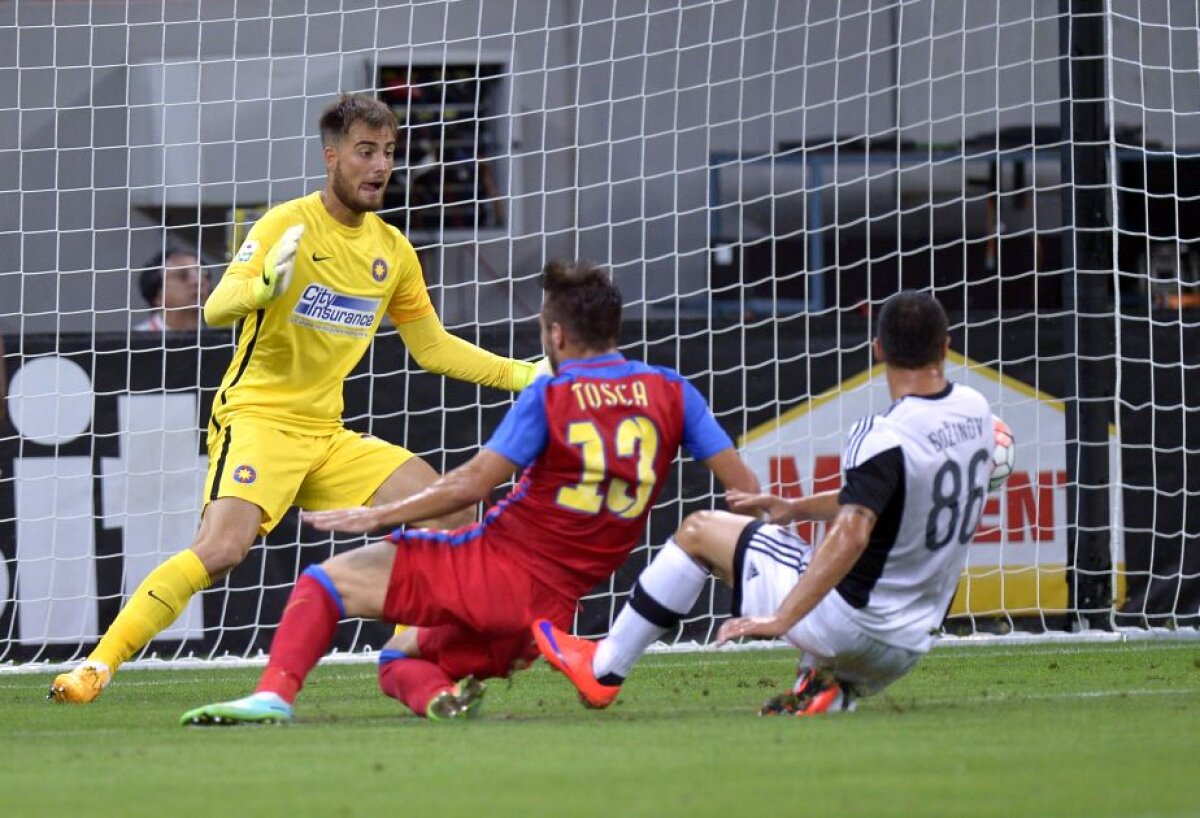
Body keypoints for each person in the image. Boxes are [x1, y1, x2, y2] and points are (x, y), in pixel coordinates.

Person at [49, 92, 549, 704]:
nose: (379, 166)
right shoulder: (285, 224)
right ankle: (96, 667)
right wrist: (262, 284)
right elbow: (214, 308)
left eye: (388, 153)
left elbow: (434, 348)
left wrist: (527, 376)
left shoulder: (392, 251)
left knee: (448, 509)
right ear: (332, 156)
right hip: (258, 419)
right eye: (365, 151)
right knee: (221, 550)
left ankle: (409, 660)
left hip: (327, 433)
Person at [178, 259, 759, 724]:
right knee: (397, 662)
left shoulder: (552, 396)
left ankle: (274, 696)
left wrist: (379, 514)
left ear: (555, 334)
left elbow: (471, 484)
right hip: (548, 616)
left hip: (490, 569)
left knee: (324, 584)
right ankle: (443, 701)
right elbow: (745, 491)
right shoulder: (672, 393)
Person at [534, 290, 996, 715]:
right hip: (908, 645)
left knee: (699, 530)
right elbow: (892, 496)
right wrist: (795, 509)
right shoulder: (977, 412)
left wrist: (781, 618)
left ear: (877, 350)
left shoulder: (883, 434)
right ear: (946, 346)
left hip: (850, 625)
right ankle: (826, 690)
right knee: (812, 557)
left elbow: (854, 531)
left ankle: (603, 670)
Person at [134, 246, 213, 332]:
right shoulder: (135, 341)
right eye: (182, 276)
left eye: (204, 274)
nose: (198, 281)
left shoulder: (220, 340)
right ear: (158, 296)